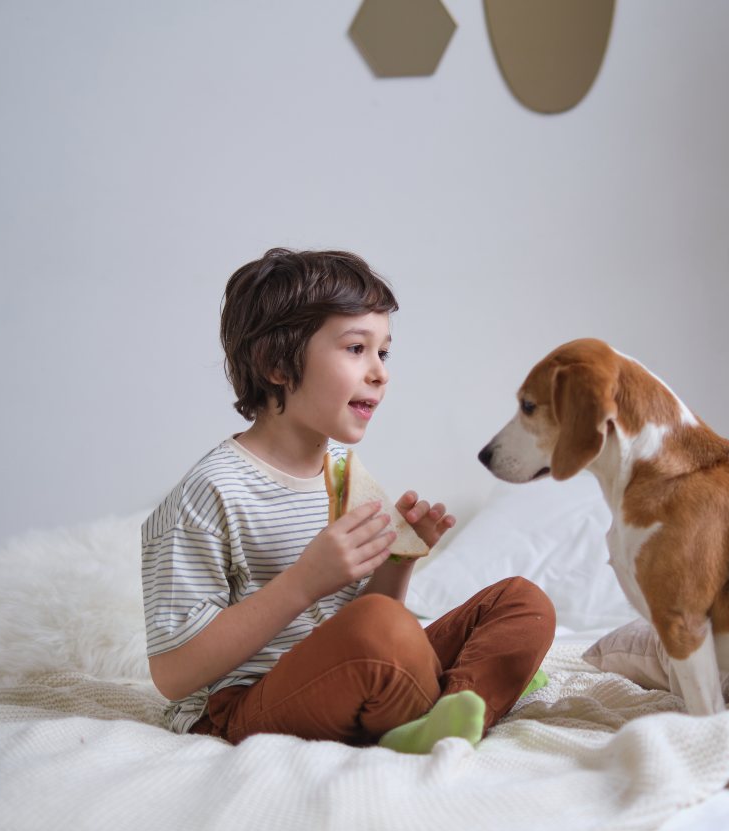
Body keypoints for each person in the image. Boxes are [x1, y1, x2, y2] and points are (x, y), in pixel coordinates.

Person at [141, 247, 554, 754]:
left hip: (359, 676)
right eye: (356, 348)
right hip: (245, 705)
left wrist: (398, 563)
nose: (380, 372)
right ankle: (471, 691)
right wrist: (303, 582)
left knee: (520, 602)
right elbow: (172, 674)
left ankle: (453, 708)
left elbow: (372, 618)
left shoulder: (342, 473)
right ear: (275, 363)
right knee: (382, 630)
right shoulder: (210, 492)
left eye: (384, 352)